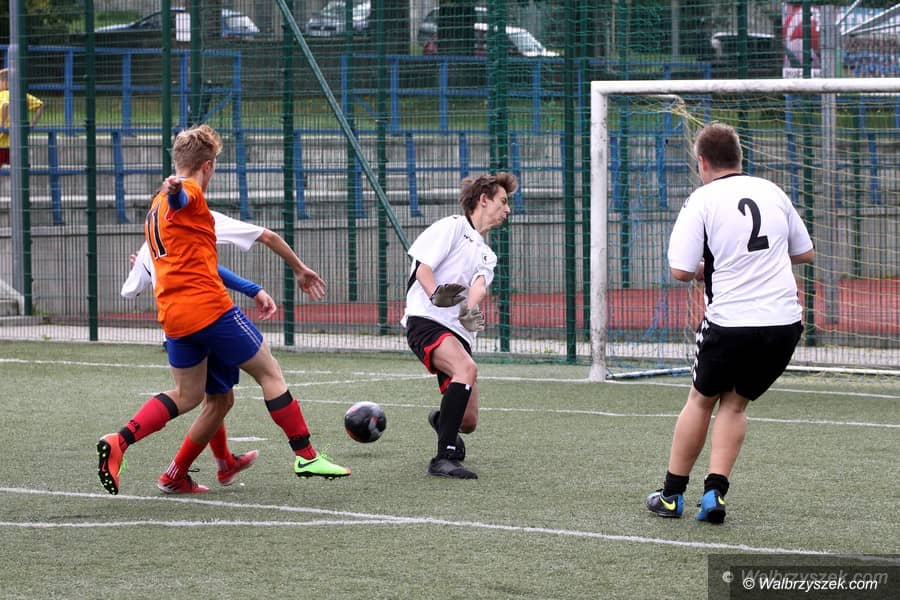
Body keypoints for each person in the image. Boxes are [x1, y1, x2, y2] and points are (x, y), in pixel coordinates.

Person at [96, 124, 349, 495]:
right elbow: (186, 197)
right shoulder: (189, 193)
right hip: (210, 310)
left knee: (189, 396)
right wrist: (178, 191)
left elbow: (180, 246)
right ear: (208, 165)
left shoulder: (155, 207)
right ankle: (306, 456)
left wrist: (173, 192)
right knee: (270, 373)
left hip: (173, 317)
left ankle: (121, 441)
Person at [646, 123, 814, 524]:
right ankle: (714, 494)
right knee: (735, 405)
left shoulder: (702, 199)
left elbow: (681, 271)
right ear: (740, 157)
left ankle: (671, 496)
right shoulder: (772, 191)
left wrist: (716, 265)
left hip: (732, 321)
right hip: (783, 324)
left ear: (702, 162)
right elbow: (805, 252)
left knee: (701, 400)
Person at [121, 209, 328, 493]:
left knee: (217, 398)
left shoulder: (153, 230)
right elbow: (267, 236)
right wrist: (259, 285)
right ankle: (306, 455)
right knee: (263, 375)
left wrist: (148, 265)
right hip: (209, 316)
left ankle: (214, 465)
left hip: (175, 325)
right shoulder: (197, 214)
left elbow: (131, 290)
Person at [401, 172, 518, 480]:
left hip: (458, 333)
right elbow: (423, 268)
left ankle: (444, 421)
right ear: (484, 200)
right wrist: (435, 295)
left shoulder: (487, 254)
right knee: (466, 369)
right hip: (427, 321)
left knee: (468, 421)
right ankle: (444, 458)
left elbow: (478, 287)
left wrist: (468, 309)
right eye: (503, 201)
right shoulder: (452, 226)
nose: (508, 209)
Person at [0, 67, 44, 167]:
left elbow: (5, 105)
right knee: (20, 167)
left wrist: (2, 125)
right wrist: (32, 124)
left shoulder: (2, 95)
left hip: (1, 141)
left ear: (5, 82)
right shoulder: (21, 95)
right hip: (16, 142)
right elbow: (41, 105)